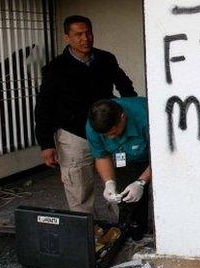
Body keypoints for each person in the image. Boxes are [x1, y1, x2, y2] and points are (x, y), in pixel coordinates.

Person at [34, 15, 137, 214]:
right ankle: (87, 232)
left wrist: (128, 115)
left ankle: (125, 224)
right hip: (74, 134)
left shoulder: (106, 59)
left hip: (107, 130)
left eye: (88, 33)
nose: (85, 38)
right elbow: (44, 106)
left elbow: (125, 86)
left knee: (118, 180)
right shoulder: (55, 68)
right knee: (78, 186)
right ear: (67, 38)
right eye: (78, 34)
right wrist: (45, 143)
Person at [86, 97, 151, 239]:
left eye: (113, 133)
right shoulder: (93, 127)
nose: (109, 138)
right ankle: (134, 237)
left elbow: (161, 156)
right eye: (105, 135)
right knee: (127, 199)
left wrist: (141, 181)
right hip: (125, 159)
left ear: (123, 117)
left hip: (155, 156)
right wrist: (109, 182)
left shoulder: (146, 115)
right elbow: (102, 156)